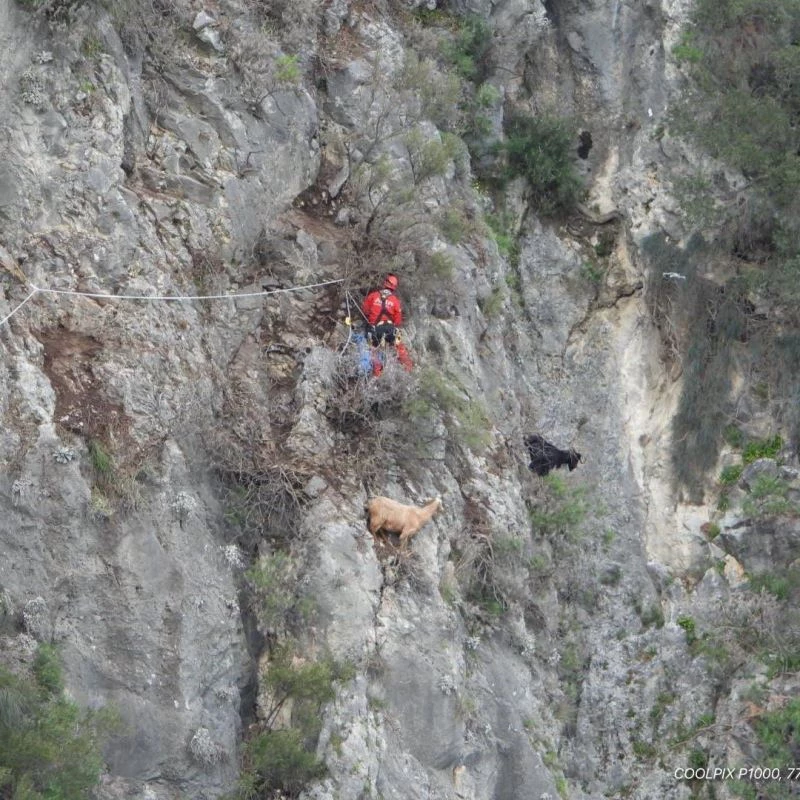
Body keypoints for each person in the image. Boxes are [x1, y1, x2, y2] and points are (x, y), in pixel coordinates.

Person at [361, 273, 413, 376]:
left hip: (375, 330)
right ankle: (408, 367)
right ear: (394, 288)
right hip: (390, 329)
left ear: (385, 283)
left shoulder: (373, 296)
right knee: (399, 346)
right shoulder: (395, 301)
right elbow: (397, 321)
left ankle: (377, 373)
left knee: (374, 350)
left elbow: (365, 311)